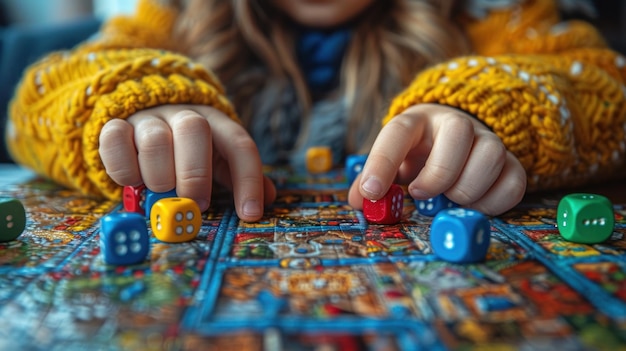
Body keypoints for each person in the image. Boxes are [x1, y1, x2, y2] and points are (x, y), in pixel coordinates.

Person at [5, 0, 625, 222]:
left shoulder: (492, 15)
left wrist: (495, 106)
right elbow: (37, 99)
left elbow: (604, 86)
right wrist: (131, 101)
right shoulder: (169, 16)